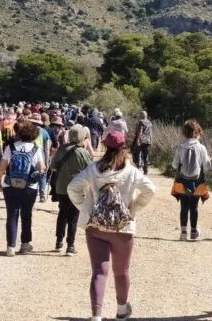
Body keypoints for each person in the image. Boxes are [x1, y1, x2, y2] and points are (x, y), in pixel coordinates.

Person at [67, 130, 156, 321]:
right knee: (121, 271)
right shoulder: (131, 171)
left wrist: (87, 208)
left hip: (96, 225)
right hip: (122, 227)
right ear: (124, 146)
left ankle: (96, 315)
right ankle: (122, 310)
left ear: (105, 146)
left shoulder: (93, 169)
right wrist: (134, 207)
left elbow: (72, 188)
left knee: (99, 270)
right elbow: (150, 189)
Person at [0, 119, 47, 257]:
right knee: (26, 214)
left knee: (12, 215)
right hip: (29, 186)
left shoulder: (11, 147)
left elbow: (2, 166)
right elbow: (42, 168)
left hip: (10, 185)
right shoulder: (36, 149)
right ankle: (25, 244)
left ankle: (10, 246)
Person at [50, 124, 93, 255]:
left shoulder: (62, 149)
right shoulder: (83, 152)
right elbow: (90, 171)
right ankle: (71, 245)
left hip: (62, 186)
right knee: (73, 217)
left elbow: (52, 167)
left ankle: (59, 242)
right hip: (78, 189)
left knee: (62, 213)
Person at [171, 119, 211, 241]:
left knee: (184, 207)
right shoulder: (202, 148)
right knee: (194, 207)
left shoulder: (180, 146)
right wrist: (208, 160)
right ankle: (193, 231)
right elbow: (207, 167)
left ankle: (183, 232)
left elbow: (174, 164)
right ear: (197, 132)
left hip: (183, 180)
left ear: (184, 132)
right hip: (197, 181)